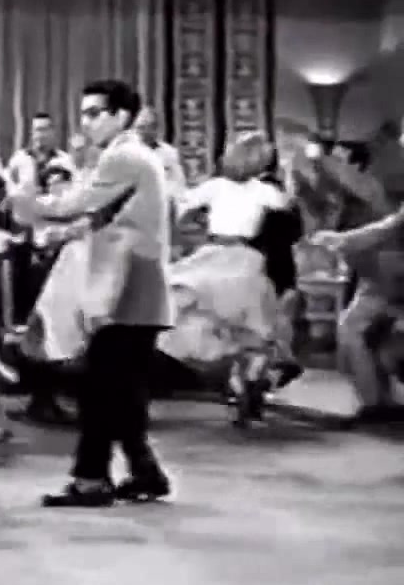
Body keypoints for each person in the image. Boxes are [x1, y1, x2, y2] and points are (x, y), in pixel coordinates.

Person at [8, 79, 174, 508]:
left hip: (129, 287)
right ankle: (143, 472)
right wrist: (60, 234)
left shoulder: (124, 156)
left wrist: (22, 202)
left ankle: (92, 479)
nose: (85, 122)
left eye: (95, 113)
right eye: (83, 113)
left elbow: (77, 203)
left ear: (121, 115)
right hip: (136, 286)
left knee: (101, 388)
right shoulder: (132, 156)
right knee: (121, 389)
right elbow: (101, 217)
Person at [156, 132, 297, 400]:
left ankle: (247, 379)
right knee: (185, 295)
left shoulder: (255, 190)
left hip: (237, 258)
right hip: (219, 255)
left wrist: (290, 174)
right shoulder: (224, 187)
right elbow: (182, 203)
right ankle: (236, 376)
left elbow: (287, 206)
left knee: (232, 310)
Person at [311, 205, 404, 423]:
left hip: (389, 284)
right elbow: (387, 227)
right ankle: (377, 401)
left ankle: (376, 402)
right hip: (385, 286)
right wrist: (343, 240)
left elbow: (386, 228)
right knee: (353, 331)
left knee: (355, 332)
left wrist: (344, 240)